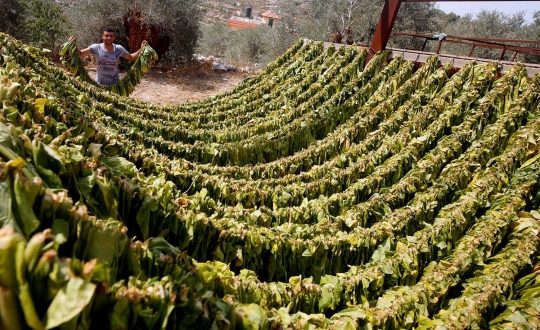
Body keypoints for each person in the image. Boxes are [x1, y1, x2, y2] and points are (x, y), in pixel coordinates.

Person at [69, 28, 147, 86]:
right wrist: (72, 44)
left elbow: (131, 57)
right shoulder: (96, 47)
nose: (109, 38)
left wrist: (142, 48)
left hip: (115, 84)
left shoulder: (118, 48)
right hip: (99, 83)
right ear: (102, 37)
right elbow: (81, 53)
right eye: (106, 36)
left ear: (114, 37)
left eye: (111, 36)